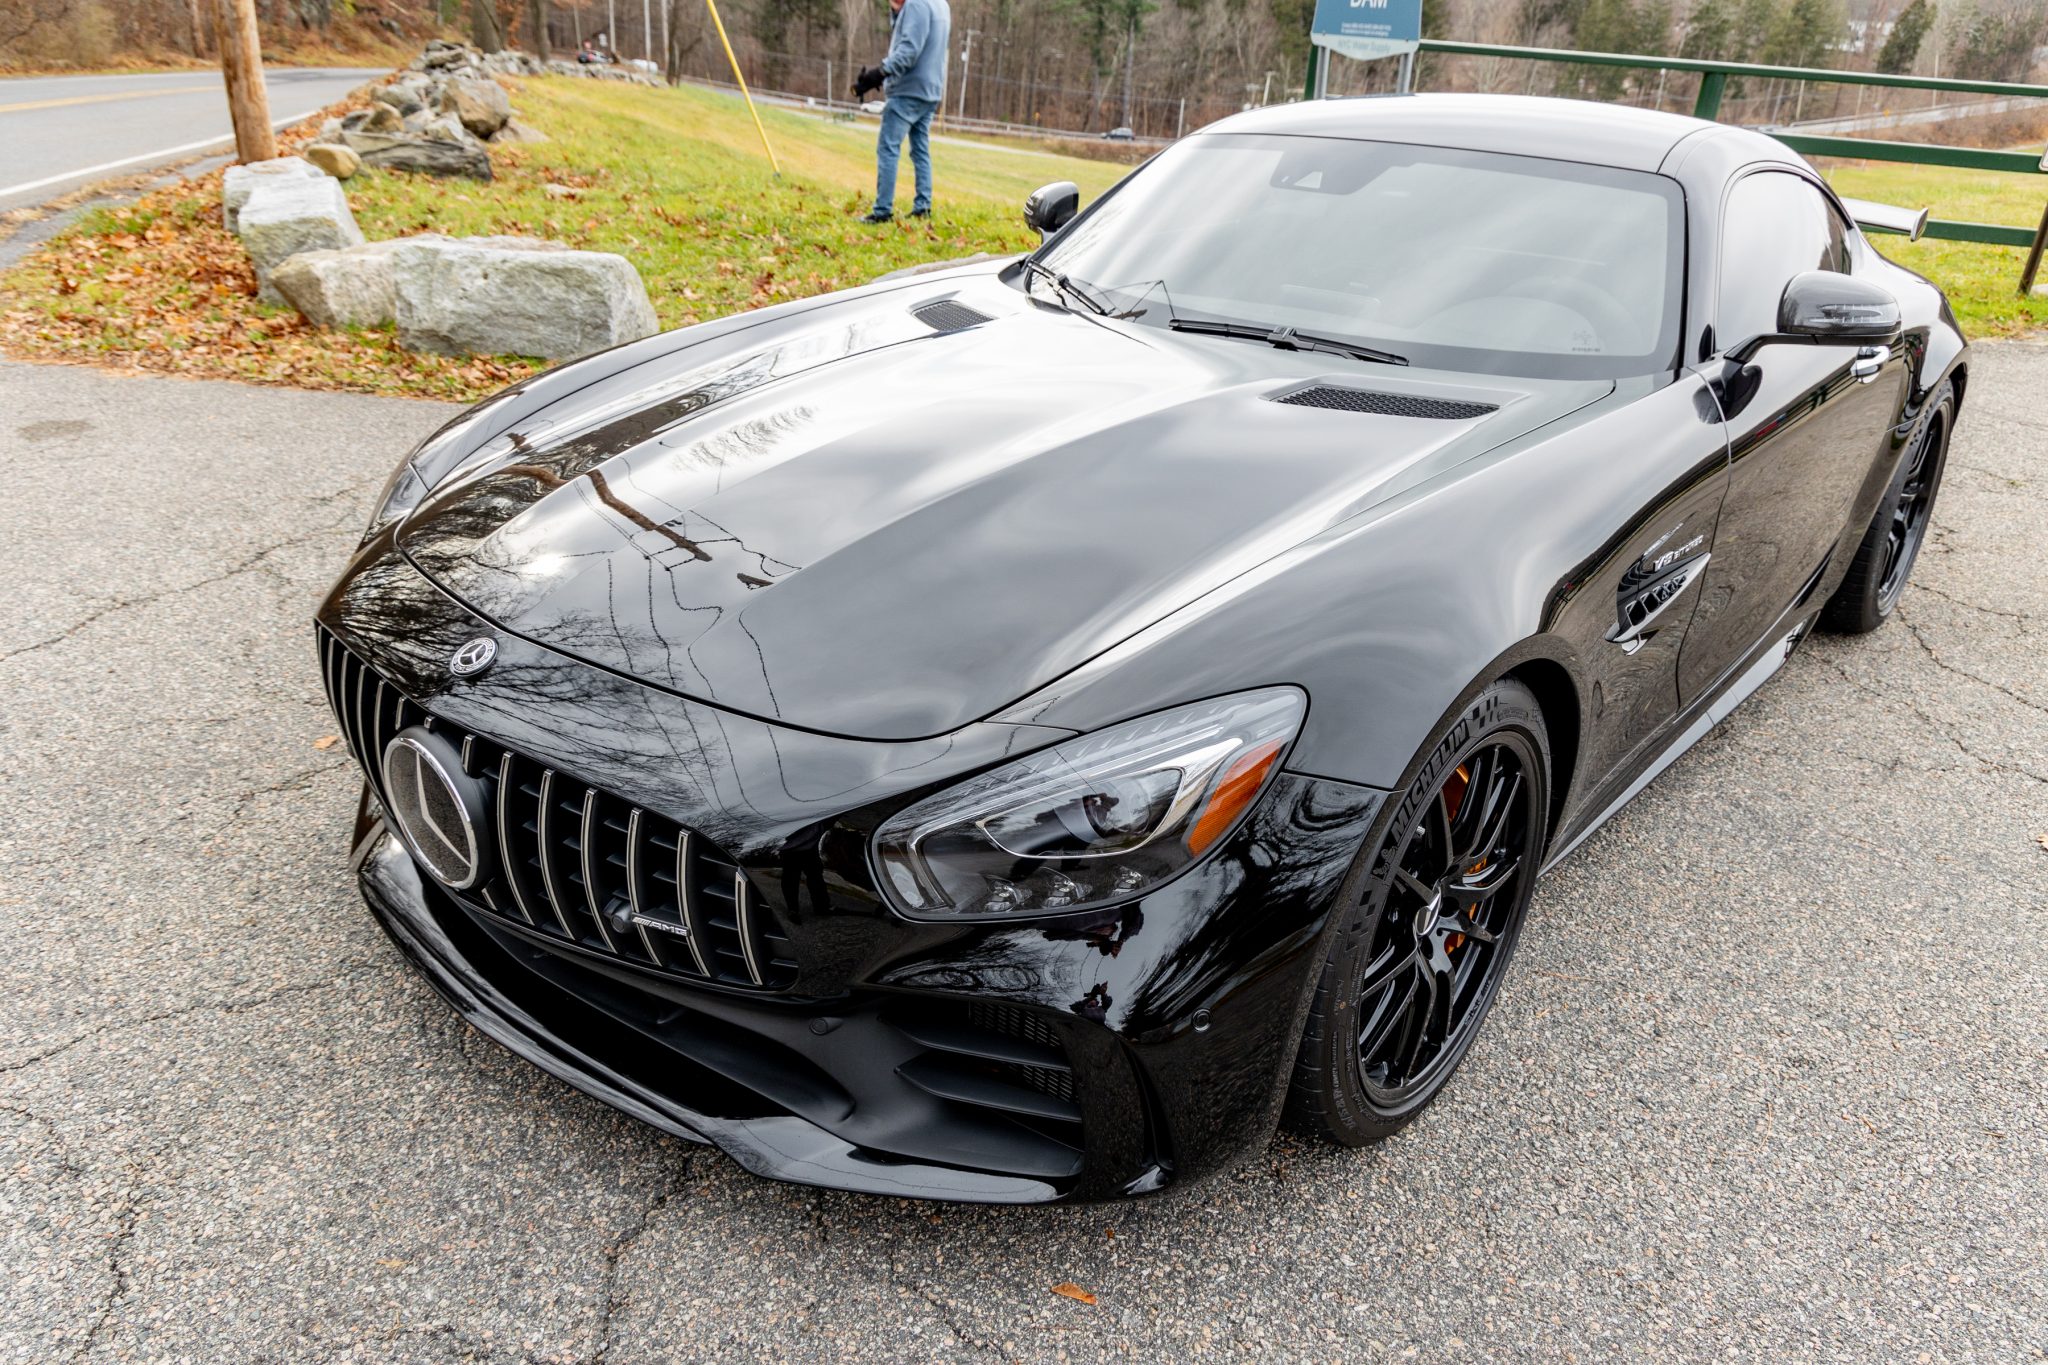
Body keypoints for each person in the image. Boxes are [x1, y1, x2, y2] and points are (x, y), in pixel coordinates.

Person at [852, 0, 950, 224]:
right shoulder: (940, 4)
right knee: (920, 149)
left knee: (888, 147)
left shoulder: (917, 5)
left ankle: (882, 211)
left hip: (908, 90)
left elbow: (909, 50)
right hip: (931, 90)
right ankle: (922, 206)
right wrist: (897, 12)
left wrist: (880, 73)